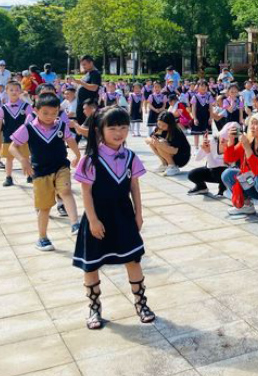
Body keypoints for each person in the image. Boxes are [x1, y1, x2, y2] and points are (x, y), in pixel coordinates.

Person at [71, 107, 154, 329]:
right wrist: (94, 220)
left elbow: (134, 186)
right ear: (100, 129)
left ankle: (141, 303)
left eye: (124, 127)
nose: (119, 133)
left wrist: (139, 214)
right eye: (113, 128)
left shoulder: (130, 156)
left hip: (124, 216)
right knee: (91, 265)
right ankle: (94, 309)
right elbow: (86, 192)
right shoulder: (90, 159)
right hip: (97, 217)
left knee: (133, 259)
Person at [10, 93, 81, 250]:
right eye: (45, 113)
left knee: (66, 190)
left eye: (54, 113)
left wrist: (78, 154)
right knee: (44, 207)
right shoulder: (28, 128)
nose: (50, 117)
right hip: (40, 172)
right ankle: (42, 238)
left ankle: (75, 223)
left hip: (61, 166)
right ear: (36, 110)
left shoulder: (61, 126)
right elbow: (12, 146)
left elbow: (70, 140)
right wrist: (23, 160)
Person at [187, 123, 236, 196]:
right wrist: (203, 147)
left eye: (226, 139)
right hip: (212, 171)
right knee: (192, 174)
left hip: (224, 174)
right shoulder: (213, 141)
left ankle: (223, 189)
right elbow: (197, 158)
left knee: (223, 171)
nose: (222, 140)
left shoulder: (234, 148)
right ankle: (202, 187)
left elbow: (213, 165)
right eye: (221, 136)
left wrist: (208, 152)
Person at [1, 80, 33, 186]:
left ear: (20, 91)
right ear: (6, 91)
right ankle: (8, 177)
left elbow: (31, 122)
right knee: (9, 158)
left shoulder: (26, 106)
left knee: (26, 156)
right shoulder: (3, 108)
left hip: (24, 137)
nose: (14, 92)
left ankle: (29, 175)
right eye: (11, 90)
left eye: (17, 90)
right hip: (8, 136)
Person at [145, 112, 191, 176]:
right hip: (171, 152)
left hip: (181, 156)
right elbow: (147, 139)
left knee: (160, 142)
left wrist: (160, 144)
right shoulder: (158, 128)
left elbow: (175, 151)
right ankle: (165, 164)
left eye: (164, 125)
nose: (161, 127)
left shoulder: (176, 131)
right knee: (153, 143)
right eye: (159, 124)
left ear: (170, 124)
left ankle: (172, 166)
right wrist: (152, 140)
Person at [76, 55, 102, 128]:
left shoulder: (95, 74)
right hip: (82, 104)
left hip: (89, 104)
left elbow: (94, 87)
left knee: (87, 126)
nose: (83, 67)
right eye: (82, 65)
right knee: (82, 125)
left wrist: (81, 83)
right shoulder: (88, 73)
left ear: (91, 63)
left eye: (84, 64)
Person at [189, 80, 213, 149]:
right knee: (196, 133)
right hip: (198, 116)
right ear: (198, 87)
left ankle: (205, 145)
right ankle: (196, 147)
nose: (204, 87)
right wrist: (195, 118)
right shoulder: (195, 97)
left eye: (205, 86)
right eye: (201, 86)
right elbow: (193, 109)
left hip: (206, 116)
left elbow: (211, 108)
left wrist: (210, 117)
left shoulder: (209, 96)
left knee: (205, 132)